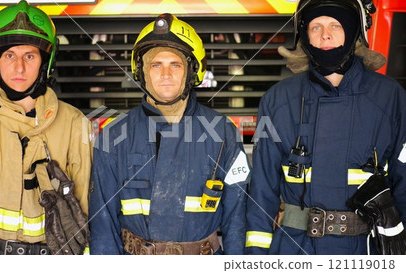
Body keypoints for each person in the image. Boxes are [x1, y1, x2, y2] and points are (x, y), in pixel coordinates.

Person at [246, 0, 406, 255]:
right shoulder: (277, 100)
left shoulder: (390, 98)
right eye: (316, 27)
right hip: (295, 249)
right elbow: (262, 190)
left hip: (365, 251)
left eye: (335, 25)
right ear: (304, 35)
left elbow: (403, 184)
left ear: (354, 31)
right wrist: (256, 258)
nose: (326, 35)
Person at [89, 13, 250, 255]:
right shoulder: (113, 136)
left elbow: (237, 221)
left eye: (175, 64)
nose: (166, 74)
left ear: (192, 72)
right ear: (141, 71)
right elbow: (103, 228)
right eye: (156, 65)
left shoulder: (222, 132)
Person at [0, 0, 92, 255]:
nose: (19, 67)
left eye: (29, 55)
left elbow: (85, 212)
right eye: (9, 55)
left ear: (46, 62)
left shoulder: (75, 125)